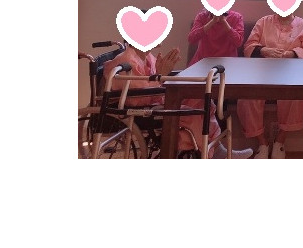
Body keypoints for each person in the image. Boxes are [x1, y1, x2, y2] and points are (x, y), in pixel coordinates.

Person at [102, 39, 249, 158]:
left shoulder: (147, 56)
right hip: (141, 110)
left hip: (156, 98)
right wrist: (160, 75)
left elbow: (156, 82)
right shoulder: (126, 61)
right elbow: (136, 99)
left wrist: (162, 74)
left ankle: (217, 149)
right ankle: (206, 151)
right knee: (193, 113)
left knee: (201, 100)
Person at [239, 0, 303, 159]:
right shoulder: (263, 22)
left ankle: (280, 140)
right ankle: (262, 142)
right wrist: (264, 50)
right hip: (261, 70)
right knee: (247, 98)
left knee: (296, 96)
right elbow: (249, 46)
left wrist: (291, 53)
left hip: (291, 72)